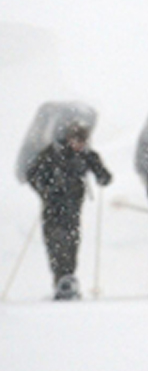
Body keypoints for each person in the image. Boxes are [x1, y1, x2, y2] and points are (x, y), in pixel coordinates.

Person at [26, 122, 112, 300]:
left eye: (83, 141)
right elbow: (33, 175)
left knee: (71, 244)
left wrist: (102, 176)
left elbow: (102, 174)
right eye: (77, 141)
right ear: (68, 138)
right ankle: (61, 280)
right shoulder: (52, 153)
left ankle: (68, 280)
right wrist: (46, 190)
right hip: (52, 207)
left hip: (73, 208)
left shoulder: (86, 155)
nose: (80, 145)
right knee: (56, 244)